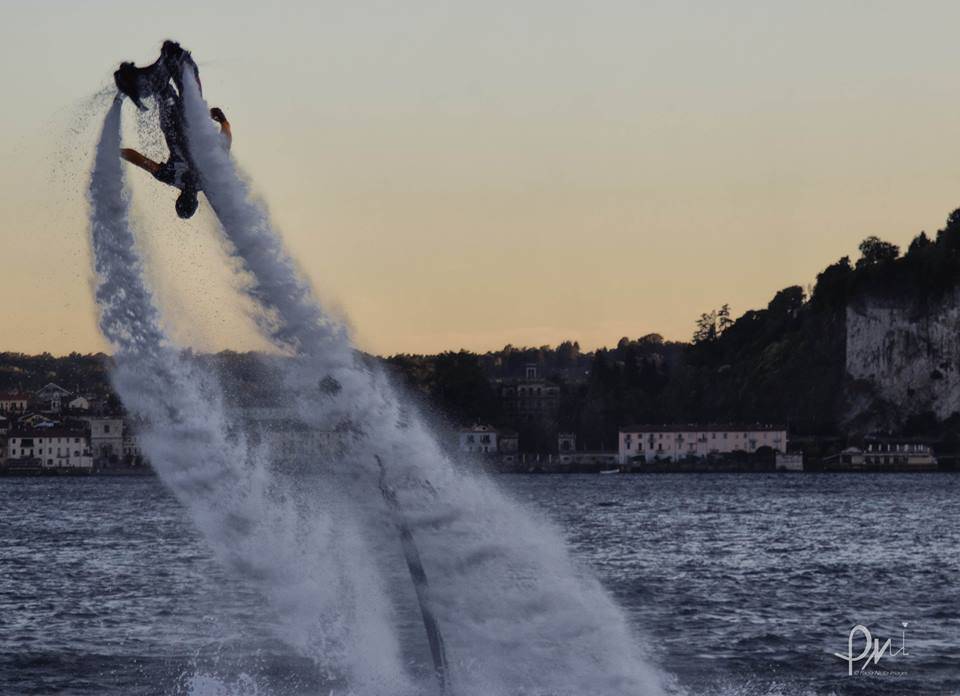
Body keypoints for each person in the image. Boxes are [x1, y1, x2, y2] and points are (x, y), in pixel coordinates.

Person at [115, 40, 229, 219]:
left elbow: (138, 159)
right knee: (186, 92)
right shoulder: (201, 178)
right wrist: (224, 123)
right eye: (191, 199)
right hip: (188, 120)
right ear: (194, 201)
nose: (189, 195)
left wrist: (115, 151)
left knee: (165, 92)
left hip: (174, 123)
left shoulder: (172, 176)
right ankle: (177, 61)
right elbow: (224, 147)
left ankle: (151, 77)